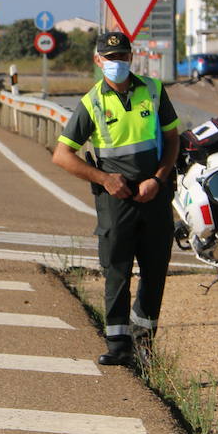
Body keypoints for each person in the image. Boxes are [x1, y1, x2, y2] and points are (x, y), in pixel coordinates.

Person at [51, 31, 181, 366]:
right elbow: (62, 155)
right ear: (98, 61)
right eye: (110, 58)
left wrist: (158, 179)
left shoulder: (153, 90)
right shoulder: (92, 102)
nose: (117, 63)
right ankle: (118, 346)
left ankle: (143, 346)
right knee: (117, 273)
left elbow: (172, 140)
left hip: (154, 196)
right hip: (116, 201)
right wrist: (104, 179)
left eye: (122, 57)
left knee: (154, 272)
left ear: (131, 57)